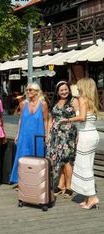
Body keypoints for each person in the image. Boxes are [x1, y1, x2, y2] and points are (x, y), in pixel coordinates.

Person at [60, 78, 100, 210]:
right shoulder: (91, 101)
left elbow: (82, 118)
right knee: (86, 165)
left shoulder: (82, 99)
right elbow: (86, 120)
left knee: (85, 166)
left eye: (79, 86)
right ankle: (88, 197)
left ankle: (92, 197)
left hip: (87, 136)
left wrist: (67, 120)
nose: (77, 88)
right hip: (91, 134)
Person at [10, 83, 48, 185]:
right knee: (22, 157)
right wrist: (17, 134)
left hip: (38, 135)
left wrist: (47, 135)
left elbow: (46, 121)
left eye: (30, 90)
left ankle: (36, 181)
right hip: (24, 135)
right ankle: (21, 181)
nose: (28, 92)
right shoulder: (23, 104)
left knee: (37, 157)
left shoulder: (43, 104)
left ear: (36, 91)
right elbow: (21, 119)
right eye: (27, 90)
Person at [46, 81, 79, 198]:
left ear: (69, 90)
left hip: (68, 135)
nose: (64, 92)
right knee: (58, 160)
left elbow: (79, 117)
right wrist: (48, 134)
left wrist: (78, 133)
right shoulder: (55, 102)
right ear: (57, 92)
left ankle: (69, 186)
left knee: (67, 160)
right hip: (55, 135)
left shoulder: (74, 101)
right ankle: (61, 185)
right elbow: (50, 119)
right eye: (61, 90)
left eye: (66, 89)